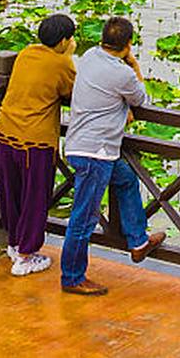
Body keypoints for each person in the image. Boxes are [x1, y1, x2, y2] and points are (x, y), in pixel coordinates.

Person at [60, 16, 165, 295]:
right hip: (96, 153)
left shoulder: (90, 56)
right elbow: (141, 99)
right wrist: (134, 65)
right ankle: (72, 277)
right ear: (128, 44)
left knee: (126, 179)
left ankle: (138, 240)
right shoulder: (123, 74)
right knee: (83, 218)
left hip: (81, 144)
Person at [0, 12, 78, 277]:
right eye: (71, 38)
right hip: (34, 142)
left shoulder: (27, 53)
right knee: (35, 197)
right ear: (64, 40)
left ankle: (15, 244)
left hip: (4, 133)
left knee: (12, 192)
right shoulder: (61, 64)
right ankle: (27, 256)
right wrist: (68, 57)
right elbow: (73, 92)